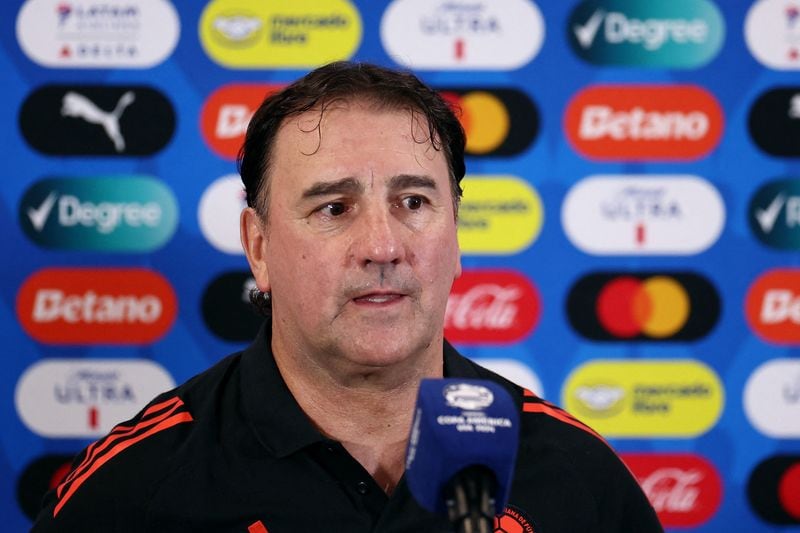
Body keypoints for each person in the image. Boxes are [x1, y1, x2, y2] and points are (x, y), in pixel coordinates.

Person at [32, 62, 662, 532]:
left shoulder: (577, 479)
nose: (382, 245)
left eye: (413, 202)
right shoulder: (136, 488)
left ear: (456, 236)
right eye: (334, 207)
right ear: (258, 247)